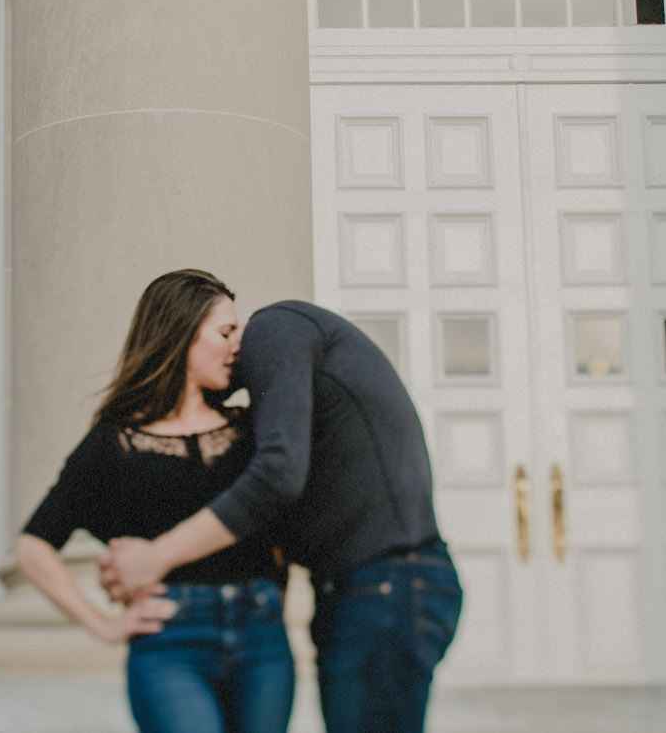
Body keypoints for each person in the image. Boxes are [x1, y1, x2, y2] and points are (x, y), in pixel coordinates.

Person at [101, 301, 460, 733]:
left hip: (386, 585)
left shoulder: (274, 326)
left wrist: (156, 557)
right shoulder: (278, 402)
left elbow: (277, 476)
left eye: (230, 331)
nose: (233, 346)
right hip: (369, 590)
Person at [18, 270, 294, 733]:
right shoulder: (114, 443)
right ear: (181, 333)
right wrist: (104, 625)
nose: (237, 346)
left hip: (262, 636)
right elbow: (34, 548)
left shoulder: (252, 429)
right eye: (225, 332)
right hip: (171, 643)